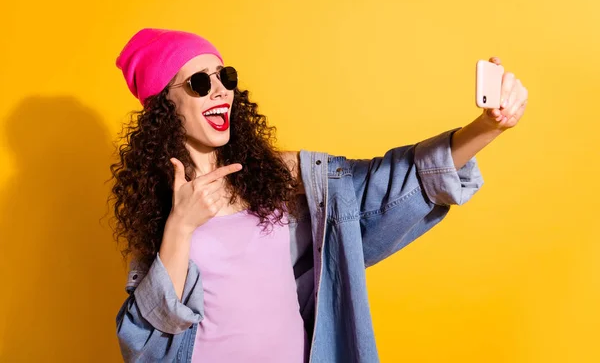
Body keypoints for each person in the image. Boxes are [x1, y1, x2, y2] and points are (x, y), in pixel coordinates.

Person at [109, 28, 528, 363]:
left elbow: (390, 184)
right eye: (200, 83)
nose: (220, 90)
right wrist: (180, 227)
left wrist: (487, 127)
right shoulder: (162, 208)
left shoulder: (279, 175)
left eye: (226, 77)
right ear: (165, 104)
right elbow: (144, 342)